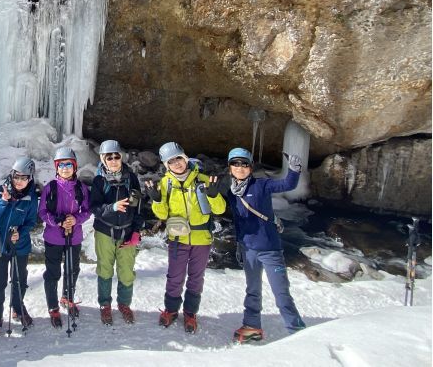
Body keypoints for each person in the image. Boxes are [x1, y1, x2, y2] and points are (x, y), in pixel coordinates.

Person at [226, 147, 306, 342]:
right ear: (230, 168)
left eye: (244, 164)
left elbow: (287, 184)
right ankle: (252, 326)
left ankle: (298, 331)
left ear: (250, 167)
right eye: (235, 164)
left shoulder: (262, 184)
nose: (240, 167)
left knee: (281, 293)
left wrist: (294, 170)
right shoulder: (231, 193)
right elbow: (238, 222)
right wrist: (238, 245)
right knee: (252, 290)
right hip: (248, 249)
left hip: (270, 249)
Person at [150, 141, 225, 333]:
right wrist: (157, 200)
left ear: (185, 158)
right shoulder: (165, 184)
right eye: (171, 161)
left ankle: (190, 312)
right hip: (177, 238)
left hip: (202, 238)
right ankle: (171, 310)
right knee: (174, 276)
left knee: (196, 277)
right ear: (166, 165)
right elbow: (162, 214)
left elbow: (220, 209)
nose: (177, 164)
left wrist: (214, 195)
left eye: (179, 159)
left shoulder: (203, 179)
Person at [90, 140, 143, 326]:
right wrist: (112, 207)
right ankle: (105, 305)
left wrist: (136, 231)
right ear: (103, 159)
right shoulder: (98, 181)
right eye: (109, 157)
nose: (113, 160)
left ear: (121, 157)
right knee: (105, 269)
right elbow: (94, 208)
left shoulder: (132, 179)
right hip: (105, 231)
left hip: (127, 231)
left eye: (116, 156)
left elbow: (138, 208)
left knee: (127, 271)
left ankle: (124, 304)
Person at [38, 147, 91, 328]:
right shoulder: (50, 188)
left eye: (69, 164)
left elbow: (87, 210)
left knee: (72, 269)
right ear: (57, 168)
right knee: (53, 273)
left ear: (75, 167)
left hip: (74, 237)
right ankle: (53, 307)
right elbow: (42, 212)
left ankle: (67, 298)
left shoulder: (81, 188)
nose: (65, 168)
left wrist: (75, 219)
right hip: (53, 237)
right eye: (62, 165)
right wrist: (57, 221)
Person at [0, 157, 39, 336]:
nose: (19, 181)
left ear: (30, 178)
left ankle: (18, 307)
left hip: (20, 245)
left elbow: (32, 221)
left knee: (19, 280)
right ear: (12, 175)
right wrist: (4, 202)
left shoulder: (31, 197)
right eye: (16, 177)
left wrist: (21, 233)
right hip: (0, 245)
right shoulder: (1, 191)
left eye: (24, 178)